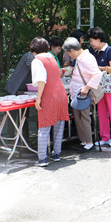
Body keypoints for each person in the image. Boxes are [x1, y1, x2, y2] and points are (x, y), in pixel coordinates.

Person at [30, 37, 69, 166]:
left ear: (34, 50)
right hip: (61, 94)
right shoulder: (52, 57)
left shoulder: (37, 60)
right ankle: (56, 154)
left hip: (49, 96)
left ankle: (42, 158)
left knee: (44, 126)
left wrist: (38, 98)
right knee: (59, 126)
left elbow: (41, 80)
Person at [63, 37, 102, 150]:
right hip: (78, 93)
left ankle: (89, 142)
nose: (69, 55)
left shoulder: (85, 58)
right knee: (79, 117)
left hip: (83, 93)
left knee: (83, 117)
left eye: (68, 53)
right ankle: (84, 141)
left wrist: (86, 88)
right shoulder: (82, 57)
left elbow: (97, 74)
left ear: (72, 50)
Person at [88, 27, 111, 145]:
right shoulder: (94, 52)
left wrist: (99, 68)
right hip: (100, 87)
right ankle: (105, 137)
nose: (91, 43)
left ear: (98, 39)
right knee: (102, 112)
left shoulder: (110, 51)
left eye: (92, 41)